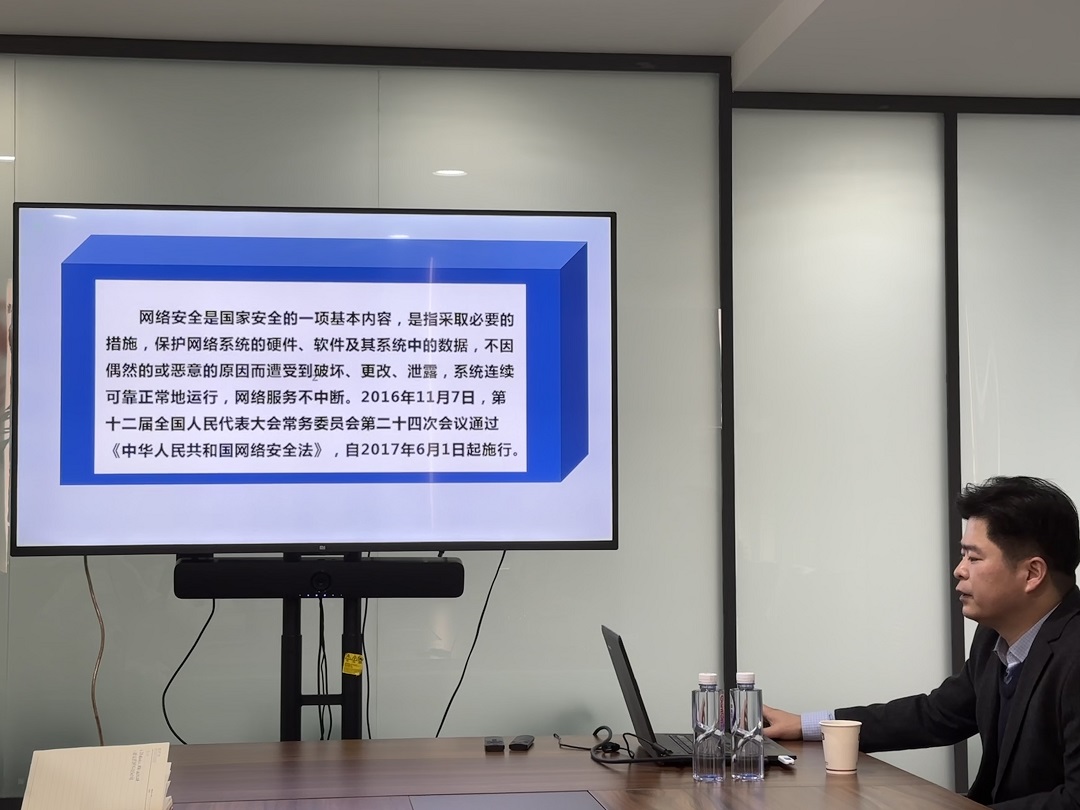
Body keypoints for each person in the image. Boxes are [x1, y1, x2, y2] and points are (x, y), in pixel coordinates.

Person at [763, 476, 1080, 809]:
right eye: (962, 556)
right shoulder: (994, 638)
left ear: (1032, 573)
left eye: (974, 558)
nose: (959, 570)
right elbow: (934, 715)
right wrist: (809, 725)